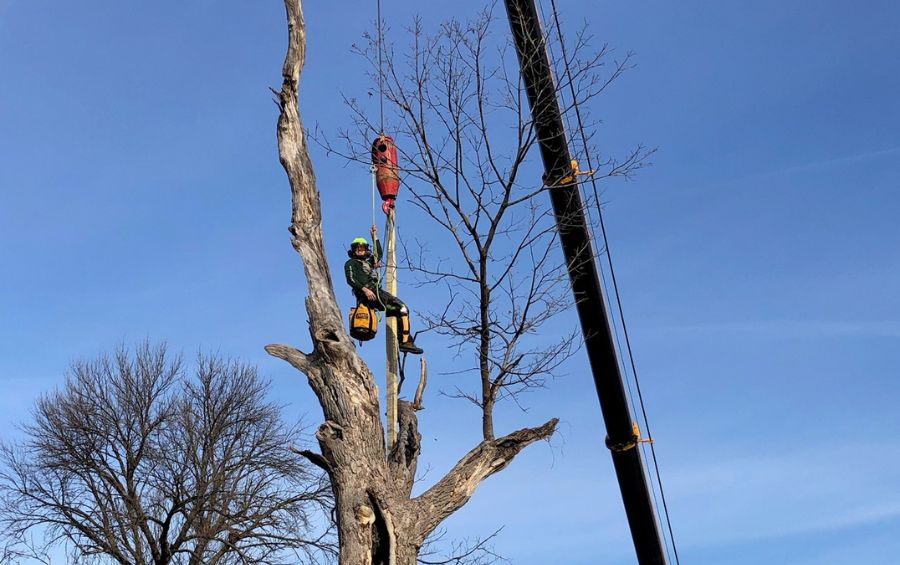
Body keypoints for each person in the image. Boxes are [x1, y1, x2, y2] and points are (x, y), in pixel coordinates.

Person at [344, 225, 424, 354]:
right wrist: (365, 290)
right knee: (402, 307)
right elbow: (351, 279)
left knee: (398, 310)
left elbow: (378, 254)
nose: (360, 250)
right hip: (369, 295)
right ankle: (405, 342)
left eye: (362, 248)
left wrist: (374, 236)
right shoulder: (351, 263)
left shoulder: (367, 263)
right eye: (357, 248)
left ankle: (404, 340)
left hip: (375, 294)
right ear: (353, 250)